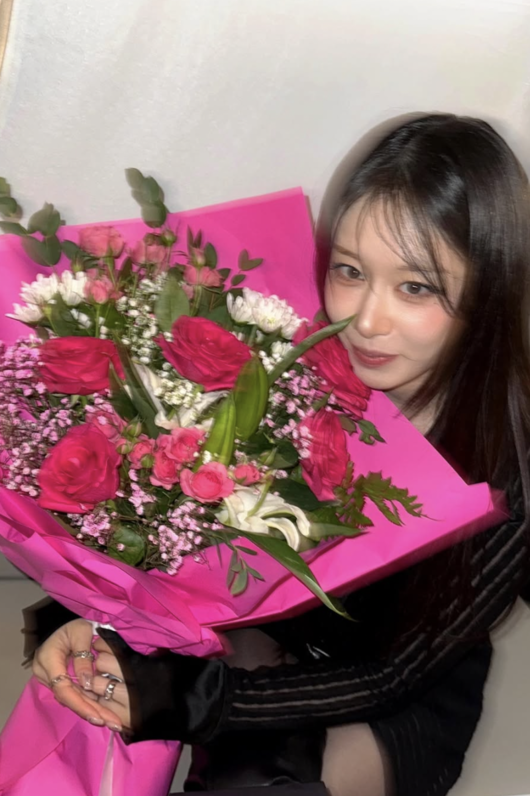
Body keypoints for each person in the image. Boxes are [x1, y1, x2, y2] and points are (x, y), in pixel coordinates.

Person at [26, 114, 530, 796]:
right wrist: (90, 620)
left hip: (393, 692)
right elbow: (166, 545)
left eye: (416, 287)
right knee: (84, 685)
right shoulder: (287, 370)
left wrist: (180, 698)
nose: (366, 321)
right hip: (255, 634)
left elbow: (392, 677)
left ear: (488, 289)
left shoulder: (511, 455)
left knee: (259, 784)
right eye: (350, 271)